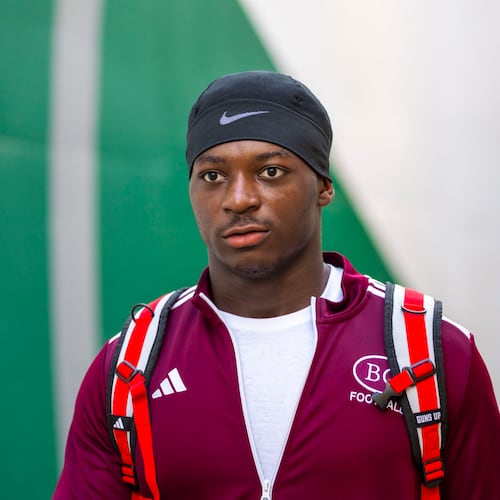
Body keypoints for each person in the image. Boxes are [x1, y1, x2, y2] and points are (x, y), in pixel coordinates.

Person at [54, 71, 500, 499]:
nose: (239, 199)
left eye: (270, 171)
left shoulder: (432, 351)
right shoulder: (129, 366)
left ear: (323, 185)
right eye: (213, 175)